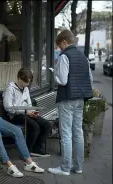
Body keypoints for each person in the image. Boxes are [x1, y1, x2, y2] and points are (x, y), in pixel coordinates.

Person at [48, 30, 93, 176]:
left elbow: (62, 80)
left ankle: (65, 167)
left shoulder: (64, 56)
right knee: (78, 133)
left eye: (59, 45)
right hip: (80, 99)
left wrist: (54, 72)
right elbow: (90, 80)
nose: (59, 48)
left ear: (64, 42)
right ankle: (78, 167)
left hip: (67, 98)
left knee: (66, 133)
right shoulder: (83, 57)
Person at [2, 68, 51, 157]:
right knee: (34, 126)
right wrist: (25, 111)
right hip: (14, 115)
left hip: (26, 113)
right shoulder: (10, 89)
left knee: (47, 125)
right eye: (26, 82)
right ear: (19, 78)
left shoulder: (26, 89)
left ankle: (36, 149)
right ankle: (26, 151)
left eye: (29, 82)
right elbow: (8, 107)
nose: (27, 84)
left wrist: (32, 111)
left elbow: (29, 104)